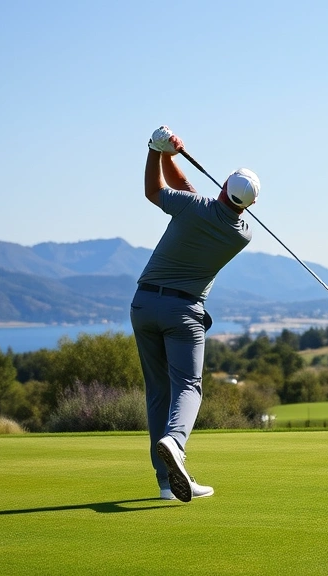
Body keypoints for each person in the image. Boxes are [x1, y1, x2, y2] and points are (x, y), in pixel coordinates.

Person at [130, 125, 259, 502]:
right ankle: (175, 442)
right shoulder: (242, 234)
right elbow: (188, 189)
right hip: (183, 311)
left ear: (221, 187)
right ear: (248, 206)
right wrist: (168, 154)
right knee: (188, 387)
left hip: (143, 304)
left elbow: (155, 191)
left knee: (158, 393)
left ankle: (166, 484)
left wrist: (157, 150)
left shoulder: (192, 206)